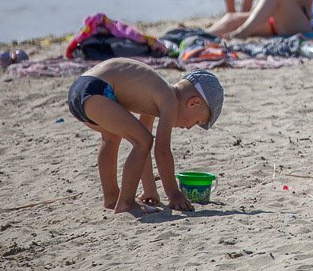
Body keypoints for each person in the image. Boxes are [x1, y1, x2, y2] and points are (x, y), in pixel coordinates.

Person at [66, 58, 223, 214]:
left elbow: (144, 144)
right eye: (196, 121)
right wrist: (174, 194)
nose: (188, 128)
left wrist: (150, 190)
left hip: (81, 89)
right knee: (143, 141)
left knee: (112, 138)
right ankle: (126, 203)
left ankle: (112, 198)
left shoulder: (155, 95)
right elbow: (161, 151)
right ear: (193, 103)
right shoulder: (170, 101)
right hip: (97, 90)